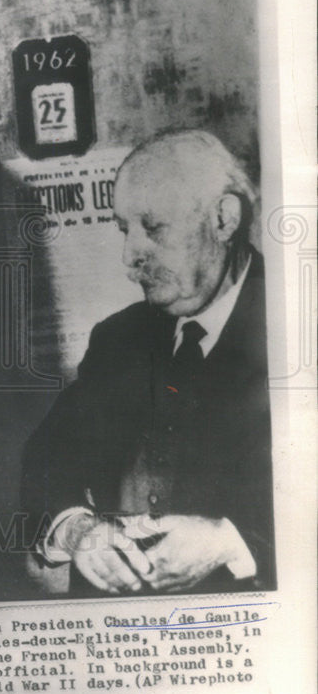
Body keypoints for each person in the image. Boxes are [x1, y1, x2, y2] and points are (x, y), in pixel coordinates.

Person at [21, 129, 275, 596]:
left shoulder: (298, 327)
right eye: (124, 229)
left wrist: (232, 542)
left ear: (224, 219)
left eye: (153, 227)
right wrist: (78, 530)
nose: (128, 257)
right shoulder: (119, 338)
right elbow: (48, 455)